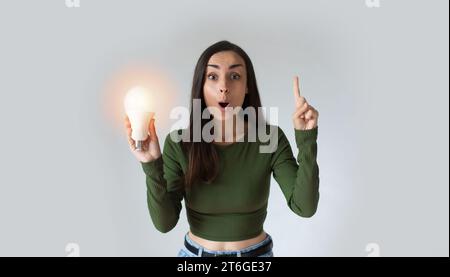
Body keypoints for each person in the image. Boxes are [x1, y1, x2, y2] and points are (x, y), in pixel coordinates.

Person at [125, 40, 320, 257]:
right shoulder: (179, 143)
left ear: (247, 87)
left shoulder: (269, 139)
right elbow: (164, 223)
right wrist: (150, 164)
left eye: (235, 76)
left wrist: (307, 138)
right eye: (213, 76)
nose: (224, 86)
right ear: (201, 85)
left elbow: (305, 207)